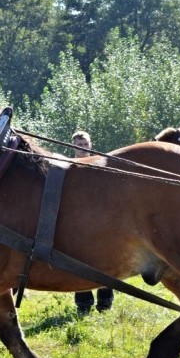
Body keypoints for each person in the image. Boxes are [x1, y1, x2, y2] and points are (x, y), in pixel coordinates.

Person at [69, 130, 114, 314]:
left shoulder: (99, 165)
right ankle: (84, 304)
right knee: (79, 263)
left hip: (99, 220)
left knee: (103, 261)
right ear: (73, 146)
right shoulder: (68, 166)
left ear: (91, 145)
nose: (82, 148)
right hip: (76, 221)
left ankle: (105, 302)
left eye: (85, 144)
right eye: (79, 145)